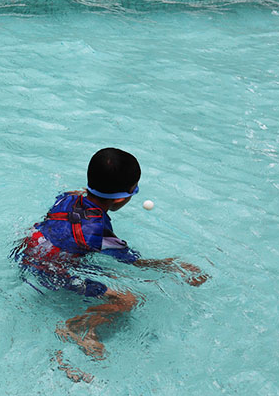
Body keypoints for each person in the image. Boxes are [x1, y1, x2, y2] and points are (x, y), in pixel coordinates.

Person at [13, 147, 208, 359]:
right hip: (52, 271)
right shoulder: (99, 233)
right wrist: (172, 266)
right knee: (127, 299)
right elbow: (134, 262)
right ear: (120, 199)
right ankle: (78, 326)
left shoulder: (67, 197)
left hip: (27, 250)